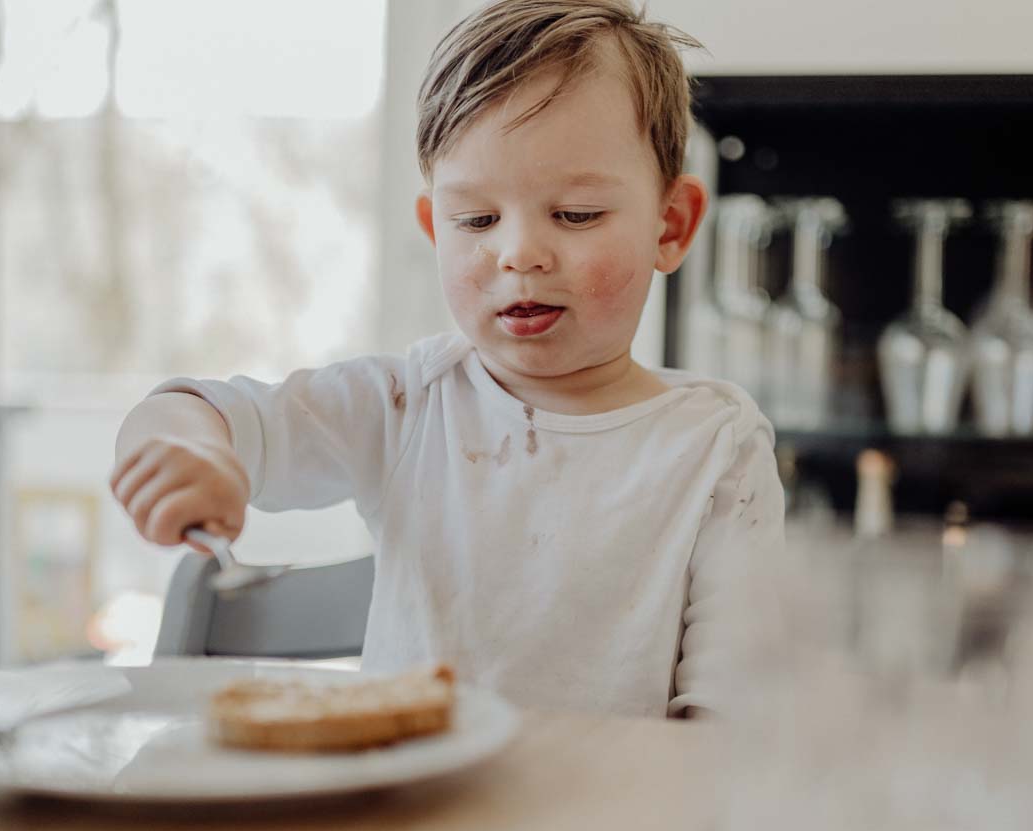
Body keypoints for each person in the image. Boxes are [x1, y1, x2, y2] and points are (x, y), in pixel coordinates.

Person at [108, 0, 782, 717]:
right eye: (477, 220)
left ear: (670, 226)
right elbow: (204, 413)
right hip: (404, 824)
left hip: (611, 824)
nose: (519, 252)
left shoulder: (716, 446)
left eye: (576, 214)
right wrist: (186, 449)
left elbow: (724, 724)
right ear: (435, 228)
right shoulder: (407, 404)